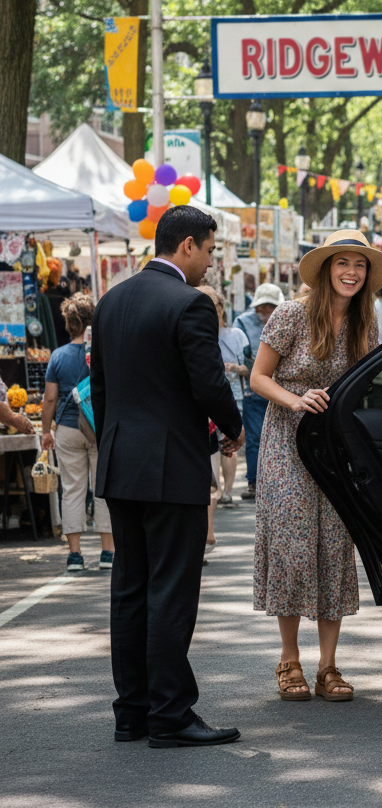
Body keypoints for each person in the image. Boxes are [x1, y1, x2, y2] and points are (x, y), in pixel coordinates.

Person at [92, 205, 243, 748]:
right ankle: (171, 715)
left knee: (129, 589)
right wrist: (232, 428)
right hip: (170, 464)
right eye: (208, 249)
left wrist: (113, 444)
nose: (210, 261)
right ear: (186, 246)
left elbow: (102, 391)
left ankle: (131, 712)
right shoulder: (190, 304)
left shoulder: (110, 303)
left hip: (120, 462)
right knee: (171, 591)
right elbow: (207, 383)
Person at [250, 230, 382, 703]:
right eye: (342, 263)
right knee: (291, 548)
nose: (352, 272)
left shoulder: (364, 323)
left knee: (334, 548)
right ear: (326, 268)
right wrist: (296, 399)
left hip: (333, 449)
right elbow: (258, 377)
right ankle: (289, 661)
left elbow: (364, 386)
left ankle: (328, 666)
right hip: (286, 444)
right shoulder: (291, 315)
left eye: (360, 264)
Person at [40, 293, 113, 571]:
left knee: (72, 489)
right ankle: (108, 552)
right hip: (99, 427)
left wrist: (46, 431)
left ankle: (75, 555)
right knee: (103, 488)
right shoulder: (101, 352)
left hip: (68, 429)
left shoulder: (58, 356)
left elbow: (49, 399)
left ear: (69, 323)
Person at [198, 286, 248, 508]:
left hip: (232, 395)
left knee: (227, 445)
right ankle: (213, 492)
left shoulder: (235, 335)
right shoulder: (195, 334)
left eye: (216, 308)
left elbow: (249, 368)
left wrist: (236, 368)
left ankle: (225, 492)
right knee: (210, 447)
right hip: (205, 400)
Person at [233, 283, 284, 500]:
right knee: (255, 438)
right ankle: (254, 482)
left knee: (281, 438)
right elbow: (238, 353)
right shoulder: (243, 322)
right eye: (261, 307)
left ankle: (277, 482)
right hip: (254, 390)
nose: (265, 312)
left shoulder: (285, 319)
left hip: (281, 390)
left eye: (270, 307)